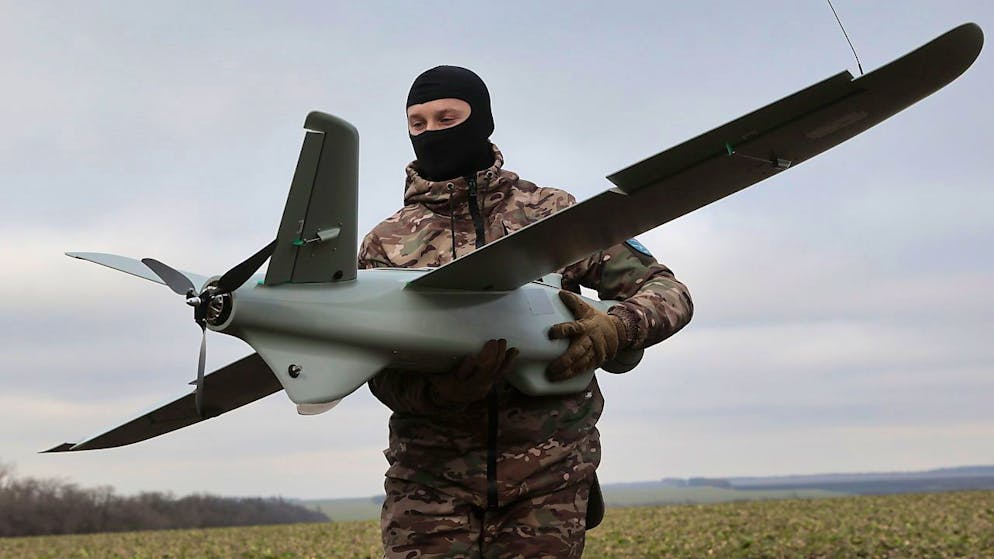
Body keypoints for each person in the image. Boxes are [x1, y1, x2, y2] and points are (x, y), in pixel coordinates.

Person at [358, 65, 693, 559]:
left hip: (548, 482)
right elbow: (376, 366)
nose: (431, 134)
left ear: (482, 122)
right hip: (428, 487)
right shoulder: (385, 245)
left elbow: (667, 290)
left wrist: (615, 329)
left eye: (447, 118)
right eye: (418, 124)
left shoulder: (552, 215)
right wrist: (439, 393)